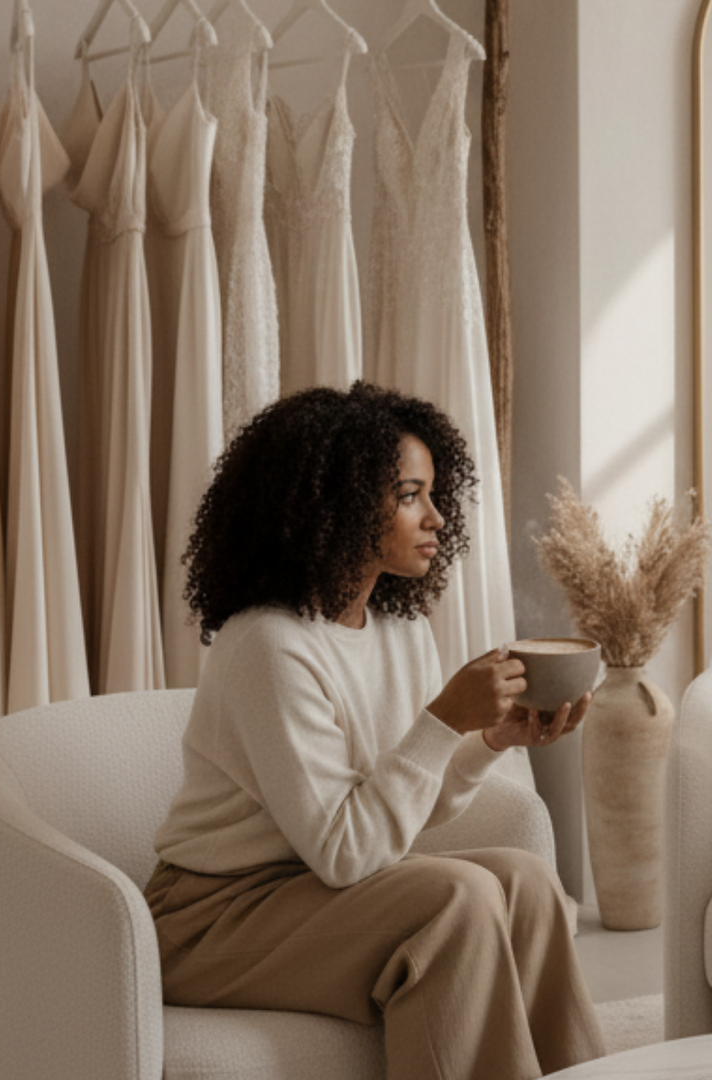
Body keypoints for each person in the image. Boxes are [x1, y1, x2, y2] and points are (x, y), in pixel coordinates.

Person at [145, 383, 606, 1080]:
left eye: (433, 493)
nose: (439, 518)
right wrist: (444, 717)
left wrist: (487, 741)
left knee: (528, 882)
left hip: (314, 891)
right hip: (210, 919)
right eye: (411, 495)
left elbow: (400, 814)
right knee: (458, 897)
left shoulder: (400, 630)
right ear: (343, 502)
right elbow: (347, 851)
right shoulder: (269, 645)